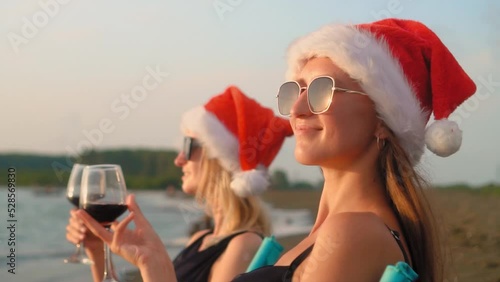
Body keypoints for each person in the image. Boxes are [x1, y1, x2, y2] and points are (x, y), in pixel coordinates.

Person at [76, 18, 478, 282]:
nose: (297, 109)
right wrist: (150, 263)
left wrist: (160, 268)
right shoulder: (326, 236)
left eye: (322, 91)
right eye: (295, 91)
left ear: (383, 121)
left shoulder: (353, 233)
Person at [66, 86, 293, 282]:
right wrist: (97, 253)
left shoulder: (244, 244)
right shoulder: (200, 239)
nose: (179, 159)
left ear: (221, 157)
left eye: (188, 145)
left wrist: (152, 262)